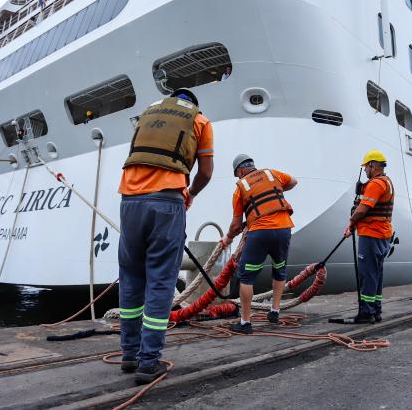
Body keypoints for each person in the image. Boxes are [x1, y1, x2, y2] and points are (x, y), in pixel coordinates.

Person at [117, 87, 214, 384]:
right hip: (167, 202)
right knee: (160, 281)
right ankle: (149, 362)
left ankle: (129, 355)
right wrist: (191, 193)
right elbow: (206, 172)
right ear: (192, 104)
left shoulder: (146, 116)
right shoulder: (200, 121)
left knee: (131, 278)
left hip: (129, 201)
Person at [219, 154, 297, 333]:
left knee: (246, 276)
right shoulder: (271, 174)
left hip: (260, 232)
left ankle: (245, 323)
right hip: (284, 228)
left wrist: (227, 239)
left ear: (239, 171)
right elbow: (293, 182)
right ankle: (275, 311)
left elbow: (236, 224)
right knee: (280, 268)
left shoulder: (241, 187)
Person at [336, 150, 394, 324]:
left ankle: (367, 313)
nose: (365, 171)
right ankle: (376, 310)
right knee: (376, 273)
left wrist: (351, 221)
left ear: (372, 165)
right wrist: (353, 226)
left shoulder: (376, 184)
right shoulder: (387, 182)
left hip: (372, 234)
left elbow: (362, 209)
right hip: (383, 234)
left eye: (366, 168)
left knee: (367, 273)